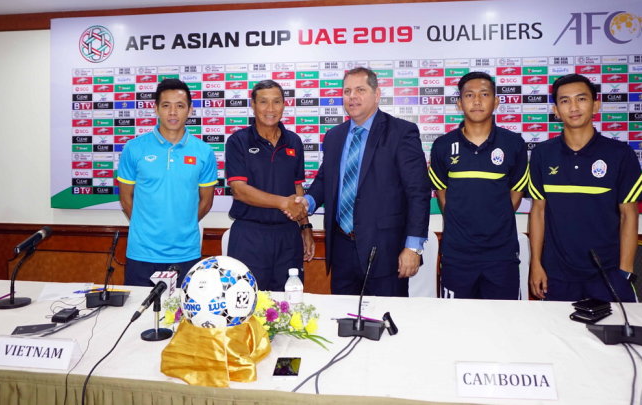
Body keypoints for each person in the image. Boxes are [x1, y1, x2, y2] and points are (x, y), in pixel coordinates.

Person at [299, 67, 430, 297]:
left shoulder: (401, 132)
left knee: (386, 316)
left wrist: (413, 247)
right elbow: (325, 178)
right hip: (341, 249)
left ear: (376, 94)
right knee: (343, 315)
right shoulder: (334, 136)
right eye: (347, 91)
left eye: (360, 90)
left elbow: (418, 192)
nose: (352, 96)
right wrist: (307, 202)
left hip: (386, 252)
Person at [528, 73, 642, 302]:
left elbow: (629, 215)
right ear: (556, 110)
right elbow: (538, 212)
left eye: (581, 99)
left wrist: (624, 272)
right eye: (565, 101)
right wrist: (536, 264)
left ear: (595, 105)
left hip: (608, 273)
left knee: (614, 327)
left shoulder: (620, 154)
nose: (573, 107)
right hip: (556, 274)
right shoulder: (542, 154)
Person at [429, 72, 528, 299]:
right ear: (459, 103)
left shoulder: (514, 144)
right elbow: (443, 195)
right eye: (469, 95)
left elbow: (516, 194)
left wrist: (496, 221)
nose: (476, 101)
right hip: (457, 255)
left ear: (496, 101)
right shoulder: (443, 145)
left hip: (502, 255)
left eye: (484, 94)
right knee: (457, 318)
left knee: (504, 318)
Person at [117, 79, 217, 286]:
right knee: (139, 307)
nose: (173, 112)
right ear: (156, 109)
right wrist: (146, 227)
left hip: (186, 253)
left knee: (182, 308)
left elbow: (206, 202)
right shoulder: (134, 148)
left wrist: (182, 225)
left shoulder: (204, 151)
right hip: (142, 253)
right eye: (166, 105)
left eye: (179, 106)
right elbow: (126, 199)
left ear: (190, 110)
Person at [225, 80, 313, 291]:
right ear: (253, 105)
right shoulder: (238, 141)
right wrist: (283, 203)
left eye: (276, 102)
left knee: (289, 301)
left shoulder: (294, 141)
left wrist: (305, 227)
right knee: (246, 300)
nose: (270, 109)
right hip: (249, 235)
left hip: (288, 236)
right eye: (263, 102)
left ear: (284, 104)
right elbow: (239, 191)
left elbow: (297, 189)